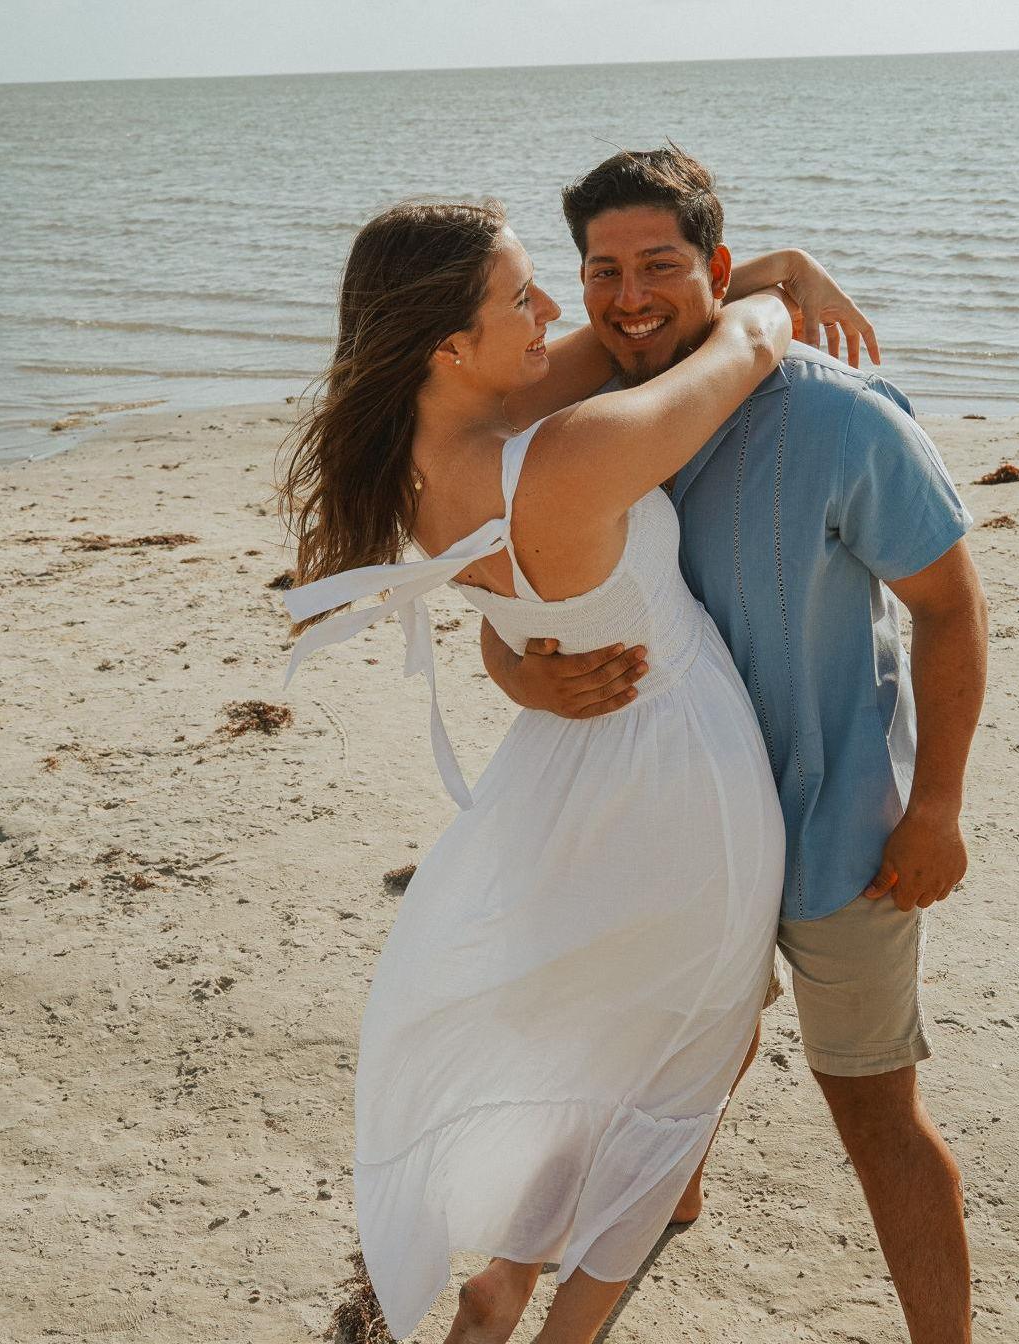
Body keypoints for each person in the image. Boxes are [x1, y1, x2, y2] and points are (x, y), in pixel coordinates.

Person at [276, 199, 874, 1343]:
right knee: (688, 1058)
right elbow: (748, 346)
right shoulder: (568, 452)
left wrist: (516, 670)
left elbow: (615, 344)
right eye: (520, 297)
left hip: (558, 776)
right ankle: (560, 1320)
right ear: (451, 344)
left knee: (604, 1032)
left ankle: (507, 1275)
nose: (553, 307)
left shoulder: (417, 455)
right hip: (683, 775)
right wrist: (778, 283)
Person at [482, 147, 989, 1344]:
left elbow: (948, 606)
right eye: (601, 271)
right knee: (667, 1060)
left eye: (658, 265)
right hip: (673, 826)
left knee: (872, 1112)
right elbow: (511, 610)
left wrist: (936, 808)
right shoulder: (587, 430)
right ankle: (675, 1194)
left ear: (718, 270)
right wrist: (525, 678)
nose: (627, 296)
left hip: (837, 832)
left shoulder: (835, 415)